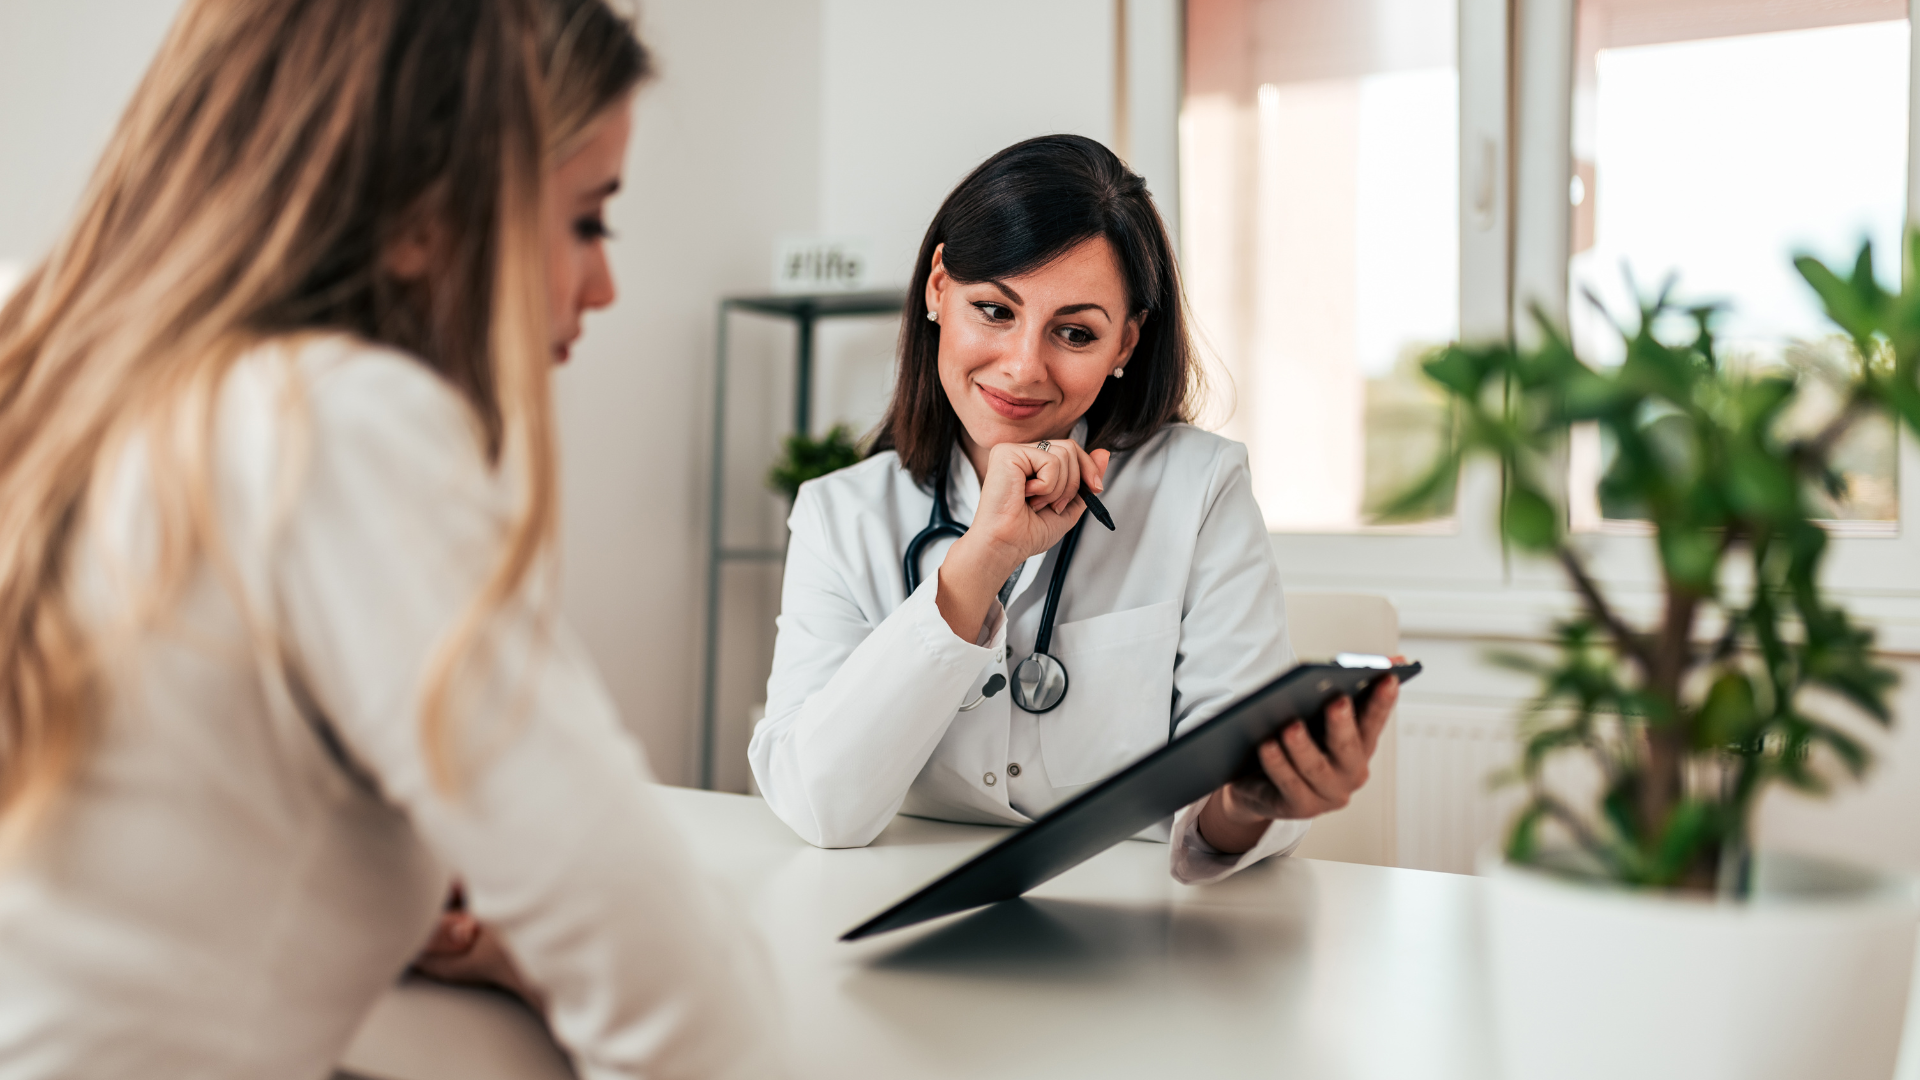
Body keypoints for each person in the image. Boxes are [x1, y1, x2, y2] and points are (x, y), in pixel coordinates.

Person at [0, 2, 783, 1077]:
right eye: (586, 222)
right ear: (422, 216)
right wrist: (544, 939)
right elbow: (692, 1011)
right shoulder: (329, 425)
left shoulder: (39, 354)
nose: (602, 286)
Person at [749, 135, 1398, 883]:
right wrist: (979, 561)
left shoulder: (1200, 487)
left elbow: (1222, 797)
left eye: (1076, 333)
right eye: (994, 310)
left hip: (1140, 920)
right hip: (897, 903)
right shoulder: (839, 515)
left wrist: (1250, 801)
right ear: (938, 288)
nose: (1023, 367)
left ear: (1126, 343)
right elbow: (819, 807)